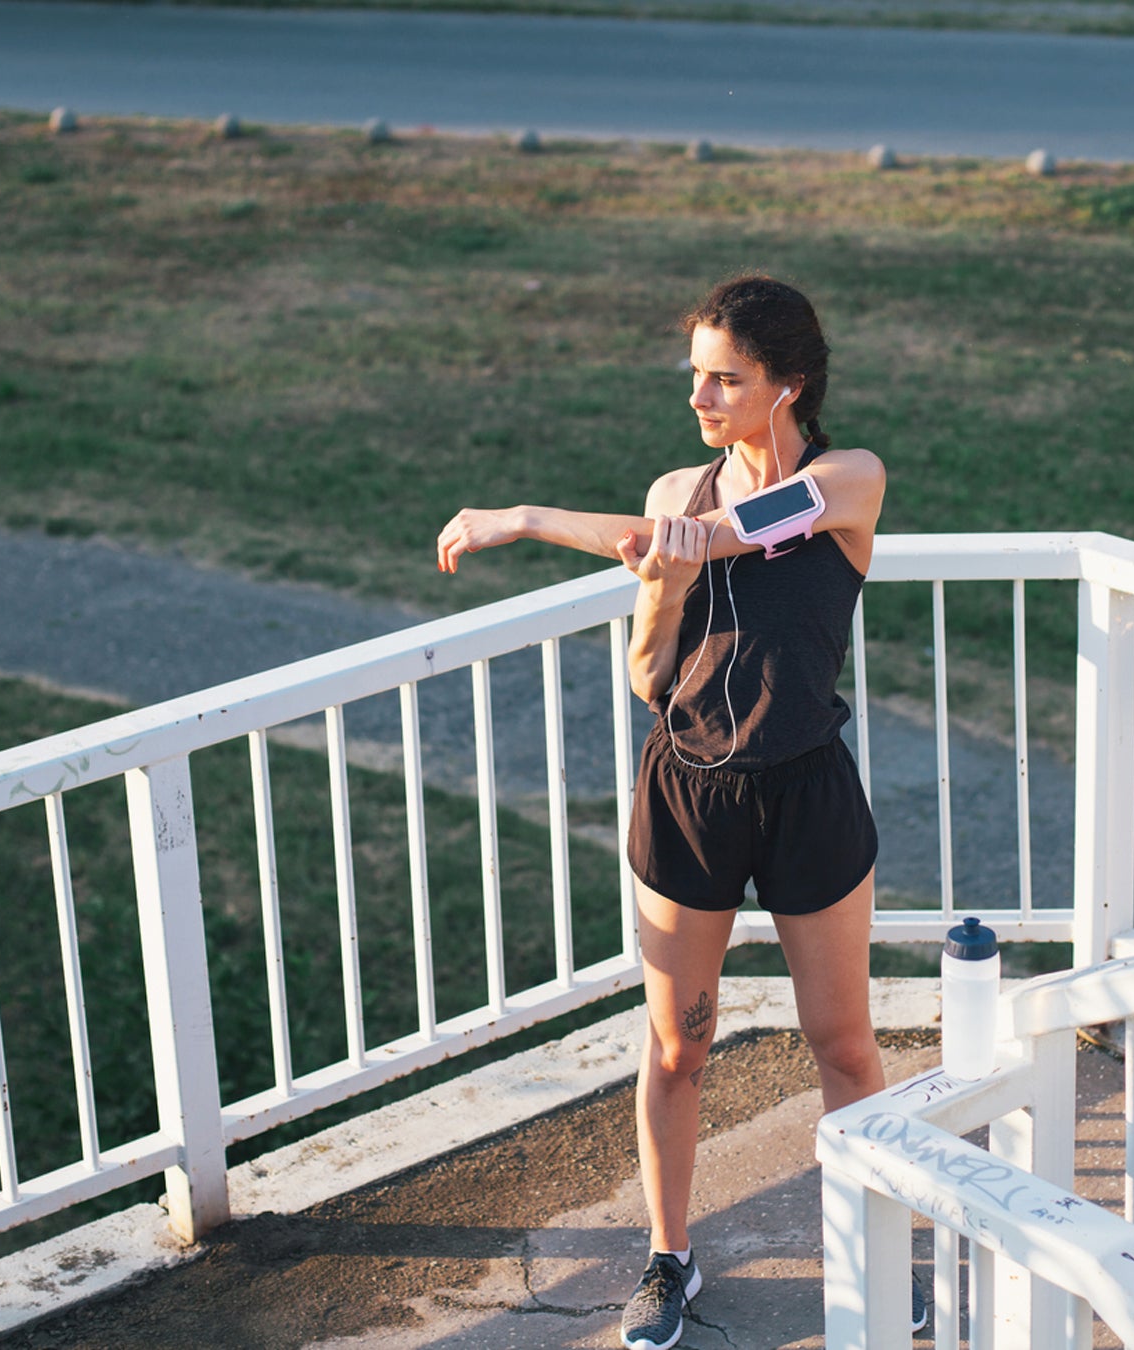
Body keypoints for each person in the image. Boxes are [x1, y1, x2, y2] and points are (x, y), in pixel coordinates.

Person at [437, 275, 919, 1348]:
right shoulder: (671, 493)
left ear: (785, 385)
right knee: (675, 1049)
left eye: (724, 379)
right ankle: (668, 1259)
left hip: (807, 789)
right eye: (695, 374)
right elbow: (650, 676)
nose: (699, 396)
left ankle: (874, 1252)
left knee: (843, 1044)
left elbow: (734, 535)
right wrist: (653, 590)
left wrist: (520, 518)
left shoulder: (847, 480)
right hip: (690, 790)